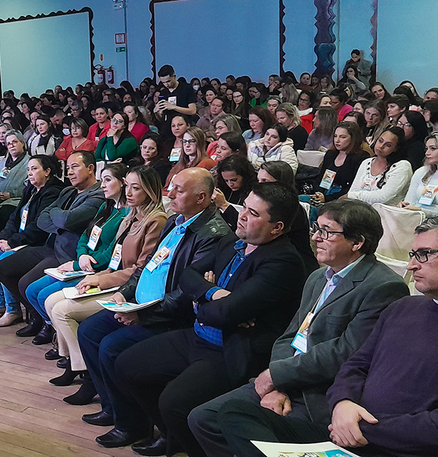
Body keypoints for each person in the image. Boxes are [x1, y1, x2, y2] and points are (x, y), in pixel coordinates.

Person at [221, 215, 438, 456]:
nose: (411, 265)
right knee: (236, 413)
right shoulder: (405, 308)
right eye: (413, 254)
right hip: (345, 431)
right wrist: (343, 403)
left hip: (394, 447)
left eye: (424, 255)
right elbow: (356, 365)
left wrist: (360, 428)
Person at [189, 199, 409, 457]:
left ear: (357, 242)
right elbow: (289, 335)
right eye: (316, 228)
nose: (315, 237)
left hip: (318, 392)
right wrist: (277, 383)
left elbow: (344, 354)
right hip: (286, 378)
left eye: (326, 232)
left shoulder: (383, 287)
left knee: (245, 424)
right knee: (203, 419)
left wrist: (278, 376)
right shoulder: (318, 276)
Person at [105, 183, 306, 456]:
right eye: (244, 207)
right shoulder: (233, 241)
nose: (243, 215)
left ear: (277, 228)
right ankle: (172, 436)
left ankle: (195, 448)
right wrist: (212, 293)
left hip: (231, 348)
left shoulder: (283, 262)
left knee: (173, 402)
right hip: (199, 334)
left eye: (254, 213)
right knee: (127, 365)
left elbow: (224, 314)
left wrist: (202, 301)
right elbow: (188, 275)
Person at [71, 168, 234, 431]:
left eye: (179, 190)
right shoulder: (175, 221)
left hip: (168, 316)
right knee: (90, 330)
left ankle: (132, 423)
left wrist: (143, 314)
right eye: (171, 187)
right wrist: (123, 293)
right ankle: (112, 407)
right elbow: (146, 268)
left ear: (202, 198)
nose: (169, 194)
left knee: (112, 346)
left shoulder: (212, 234)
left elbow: (188, 291)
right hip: (140, 303)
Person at [43, 165, 168, 386]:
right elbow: (114, 260)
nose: (128, 193)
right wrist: (95, 277)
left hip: (128, 287)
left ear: (149, 190)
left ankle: (86, 373)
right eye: (127, 186)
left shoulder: (156, 220)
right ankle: (71, 359)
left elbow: (139, 270)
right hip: (113, 276)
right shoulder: (130, 216)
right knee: (51, 300)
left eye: (135, 188)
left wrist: (100, 279)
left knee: (62, 310)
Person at [0, 151, 106, 338]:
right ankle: (37, 316)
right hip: (51, 246)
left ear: (91, 168)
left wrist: (59, 218)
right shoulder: (67, 191)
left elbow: (68, 220)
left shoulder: (97, 194)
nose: (70, 172)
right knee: (3, 268)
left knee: (26, 283)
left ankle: (47, 324)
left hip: (67, 254)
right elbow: (42, 220)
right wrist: (60, 222)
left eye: (75, 167)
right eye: (68, 168)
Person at [22, 164, 130, 345]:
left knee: (43, 295)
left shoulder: (126, 214)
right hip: (82, 263)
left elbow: (112, 252)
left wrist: (79, 264)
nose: (102, 185)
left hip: (98, 269)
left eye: (108, 180)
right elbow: (85, 237)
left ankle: (62, 338)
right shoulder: (106, 205)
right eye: (102, 180)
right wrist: (81, 255)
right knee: (32, 290)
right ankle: (53, 328)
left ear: (123, 183)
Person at [0, 155, 65, 327]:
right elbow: (15, 217)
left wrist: (11, 243)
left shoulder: (53, 192)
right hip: (18, 238)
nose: (30, 173)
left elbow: (38, 228)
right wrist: (3, 238)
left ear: (48, 172)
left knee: (4, 259)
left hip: (36, 241)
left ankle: (13, 310)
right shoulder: (30, 189)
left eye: (34, 169)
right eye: (28, 169)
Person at [308, 123, 370, 205]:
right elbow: (321, 179)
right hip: (324, 194)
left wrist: (327, 198)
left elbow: (353, 187)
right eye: (335, 136)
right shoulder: (330, 154)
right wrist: (319, 194)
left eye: (342, 137)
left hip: (343, 200)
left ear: (353, 138)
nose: (337, 140)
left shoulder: (361, 157)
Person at [347, 128, 412, 206]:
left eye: (388, 145)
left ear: (396, 148)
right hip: (360, 210)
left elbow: (383, 197)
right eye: (380, 141)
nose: (381, 146)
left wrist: (351, 196)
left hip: (385, 214)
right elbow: (354, 190)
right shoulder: (366, 162)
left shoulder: (402, 166)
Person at [0, 130, 28, 231]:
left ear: (22, 143)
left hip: (16, 201)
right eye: (8, 143)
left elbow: (31, 187)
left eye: (14, 142)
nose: (11, 145)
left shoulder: (30, 162)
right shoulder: (2, 163)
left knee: (3, 215)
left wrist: (11, 195)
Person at [165, 127, 216, 193]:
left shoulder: (206, 163)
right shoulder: (179, 164)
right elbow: (167, 187)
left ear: (200, 143)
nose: (187, 145)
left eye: (192, 141)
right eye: (184, 141)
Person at [213, 155, 257, 230]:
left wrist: (224, 205)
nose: (230, 184)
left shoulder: (254, 192)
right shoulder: (223, 187)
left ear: (244, 176)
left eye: (234, 180)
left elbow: (246, 224)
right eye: (226, 180)